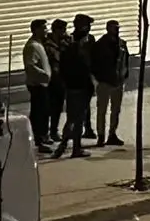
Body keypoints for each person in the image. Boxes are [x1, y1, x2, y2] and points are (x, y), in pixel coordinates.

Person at [53, 14, 95, 159]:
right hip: (79, 85)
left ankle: (68, 146)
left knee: (75, 117)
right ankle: (69, 146)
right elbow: (85, 64)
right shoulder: (77, 44)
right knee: (76, 118)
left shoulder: (71, 42)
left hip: (75, 85)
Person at [92, 18, 129, 146]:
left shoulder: (122, 44)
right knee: (102, 109)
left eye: (118, 28)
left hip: (118, 81)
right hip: (105, 82)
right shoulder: (100, 45)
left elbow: (125, 61)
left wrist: (123, 76)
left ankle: (112, 134)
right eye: (114, 28)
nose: (117, 30)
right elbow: (95, 63)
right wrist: (99, 78)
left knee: (116, 109)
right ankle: (101, 135)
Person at [22, 18, 52, 147]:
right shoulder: (32, 46)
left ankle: (43, 136)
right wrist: (44, 76)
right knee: (38, 112)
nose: (46, 31)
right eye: (44, 28)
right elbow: (30, 66)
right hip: (37, 85)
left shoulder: (39, 43)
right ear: (36, 30)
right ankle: (38, 139)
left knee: (44, 111)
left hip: (43, 84)